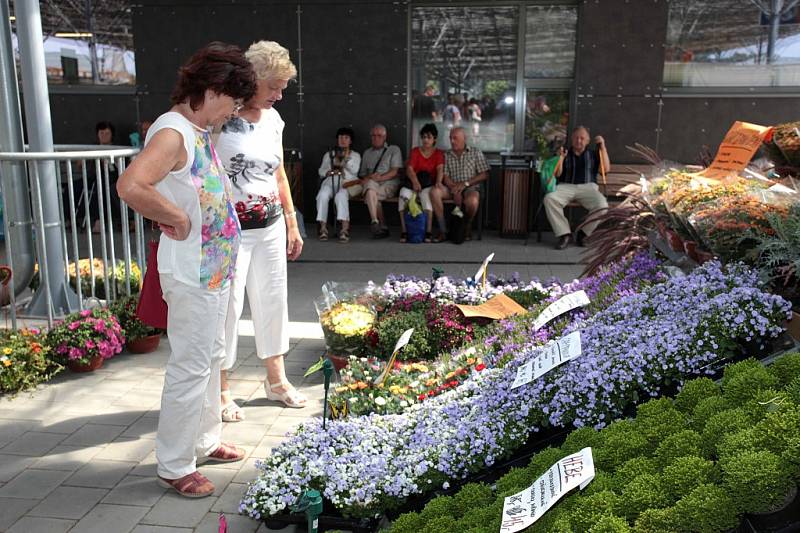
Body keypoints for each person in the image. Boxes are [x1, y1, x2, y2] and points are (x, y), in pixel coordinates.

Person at [117, 42, 256, 498]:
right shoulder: (174, 132)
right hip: (193, 273)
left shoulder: (194, 129)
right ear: (213, 90)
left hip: (212, 270)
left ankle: (204, 440)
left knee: (211, 358)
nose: (230, 113)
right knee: (190, 367)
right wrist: (175, 217)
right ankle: (174, 464)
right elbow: (131, 184)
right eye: (232, 102)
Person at [214, 40, 305, 420]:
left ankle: (276, 379)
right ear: (252, 80)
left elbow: (278, 171)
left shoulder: (273, 120)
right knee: (228, 309)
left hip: (269, 225)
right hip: (230, 231)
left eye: (284, 87)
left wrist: (291, 220)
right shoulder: (220, 119)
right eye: (274, 86)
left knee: (272, 300)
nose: (280, 95)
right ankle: (219, 389)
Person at [544, 125, 610, 250]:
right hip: (565, 186)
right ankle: (564, 234)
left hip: (588, 187)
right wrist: (560, 158)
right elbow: (557, 174)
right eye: (576, 138)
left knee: (602, 205)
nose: (579, 141)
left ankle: (583, 233)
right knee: (549, 199)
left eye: (582, 138)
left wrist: (603, 147)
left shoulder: (594, 154)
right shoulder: (564, 153)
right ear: (571, 139)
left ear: (588, 140)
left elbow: (605, 170)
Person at [430, 127, 489, 242]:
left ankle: (466, 226)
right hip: (451, 187)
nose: (452, 141)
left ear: (464, 138)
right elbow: (445, 176)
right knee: (434, 192)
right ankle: (443, 230)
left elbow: (484, 174)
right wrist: (455, 189)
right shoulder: (446, 155)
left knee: (472, 201)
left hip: (470, 187)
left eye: (455, 138)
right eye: (450, 138)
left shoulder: (475, 152)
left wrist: (465, 184)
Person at [354, 124, 402, 238]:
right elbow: (362, 175)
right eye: (373, 136)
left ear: (385, 137)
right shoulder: (367, 153)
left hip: (389, 183)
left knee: (371, 192)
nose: (376, 138)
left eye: (379, 136)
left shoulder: (393, 149)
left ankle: (381, 225)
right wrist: (371, 176)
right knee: (371, 190)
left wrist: (380, 177)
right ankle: (376, 222)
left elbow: (395, 171)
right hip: (372, 183)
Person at [398, 123, 443, 243]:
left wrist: (438, 182)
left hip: (428, 184)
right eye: (423, 137)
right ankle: (404, 231)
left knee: (426, 197)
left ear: (434, 139)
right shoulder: (415, 151)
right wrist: (415, 182)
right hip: (413, 183)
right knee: (403, 195)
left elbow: (440, 169)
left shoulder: (438, 153)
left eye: (429, 137)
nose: (425, 140)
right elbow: (410, 169)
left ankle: (428, 231)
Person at [316, 127, 360, 243]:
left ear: (350, 141)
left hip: (346, 183)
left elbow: (355, 170)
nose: (343, 140)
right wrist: (328, 171)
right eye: (340, 137)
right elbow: (321, 171)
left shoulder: (355, 155)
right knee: (322, 195)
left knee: (340, 196)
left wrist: (344, 160)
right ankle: (323, 228)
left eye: (346, 137)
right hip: (330, 181)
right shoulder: (329, 154)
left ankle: (344, 229)